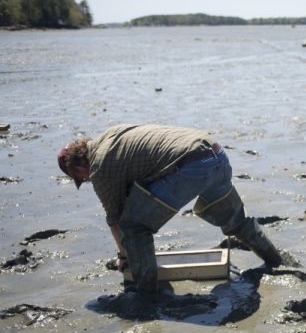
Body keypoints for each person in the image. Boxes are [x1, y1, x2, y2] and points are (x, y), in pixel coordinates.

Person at [57, 124, 283, 301]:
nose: (86, 180)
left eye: (81, 178)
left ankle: (146, 295)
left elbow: (116, 221)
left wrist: (124, 257)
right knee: (235, 221)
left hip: (191, 166)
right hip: (215, 153)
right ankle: (275, 260)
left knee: (134, 228)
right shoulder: (112, 135)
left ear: (78, 167)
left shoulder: (100, 167)